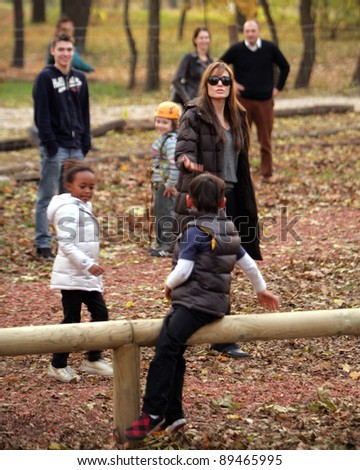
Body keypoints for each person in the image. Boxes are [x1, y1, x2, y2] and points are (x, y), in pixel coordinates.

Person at [125, 173, 279, 440]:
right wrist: (261, 290)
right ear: (222, 202)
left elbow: (183, 270)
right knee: (175, 353)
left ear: (189, 201)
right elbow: (249, 265)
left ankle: (153, 412)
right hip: (216, 305)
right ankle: (174, 416)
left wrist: (168, 285)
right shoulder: (229, 229)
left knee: (165, 351)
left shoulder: (195, 231)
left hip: (193, 306)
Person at [174, 60, 260, 358]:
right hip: (205, 196)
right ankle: (182, 327)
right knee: (196, 262)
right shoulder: (194, 113)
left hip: (232, 195)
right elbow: (183, 146)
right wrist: (186, 160)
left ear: (232, 83)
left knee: (225, 258)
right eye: (213, 80)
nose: (219, 84)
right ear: (206, 84)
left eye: (225, 80)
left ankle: (221, 336)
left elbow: (242, 159)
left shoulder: (239, 115)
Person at [47, 160, 113, 383]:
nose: (88, 191)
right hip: (72, 276)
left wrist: (89, 266)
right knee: (71, 320)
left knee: (101, 314)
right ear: (69, 186)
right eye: (82, 186)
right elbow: (65, 244)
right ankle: (58, 364)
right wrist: (87, 264)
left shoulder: (83, 207)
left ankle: (93, 358)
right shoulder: (67, 209)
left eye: (91, 187)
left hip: (86, 275)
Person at [33, 33, 91, 260]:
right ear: (53, 51)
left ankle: (67, 244)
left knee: (72, 198)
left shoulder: (80, 78)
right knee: (47, 196)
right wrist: (51, 145)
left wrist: (86, 141)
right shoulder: (45, 78)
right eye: (61, 49)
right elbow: (41, 116)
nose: (65, 54)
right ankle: (43, 244)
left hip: (76, 147)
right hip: (54, 148)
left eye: (69, 50)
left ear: (73, 52)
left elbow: (84, 112)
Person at [220, 20, 290, 179]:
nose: (250, 34)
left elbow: (285, 66)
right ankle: (240, 174)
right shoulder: (237, 49)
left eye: (253, 30)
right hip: (242, 101)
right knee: (240, 139)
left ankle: (267, 173)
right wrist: (233, 83)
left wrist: (278, 87)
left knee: (265, 139)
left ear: (258, 31)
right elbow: (220, 64)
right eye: (247, 31)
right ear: (243, 32)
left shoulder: (269, 48)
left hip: (265, 101)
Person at [148, 101, 180, 257]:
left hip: (165, 184)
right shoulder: (164, 138)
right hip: (159, 183)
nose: (160, 125)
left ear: (173, 124)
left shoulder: (171, 142)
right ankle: (160, 243)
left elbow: (175, 165)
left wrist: (170, 184)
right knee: (159, 214)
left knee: (166, 214)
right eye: (158, 121)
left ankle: (167, 246)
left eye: (165, 122)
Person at [170, 26, 213, 106]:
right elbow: (176, 81)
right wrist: (188, 100)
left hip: (206, 104)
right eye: (201, 38)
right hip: (191, 103)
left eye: (206, 38)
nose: (204, 40)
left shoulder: (211, 62)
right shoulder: (189, 58)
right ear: (195, 40)